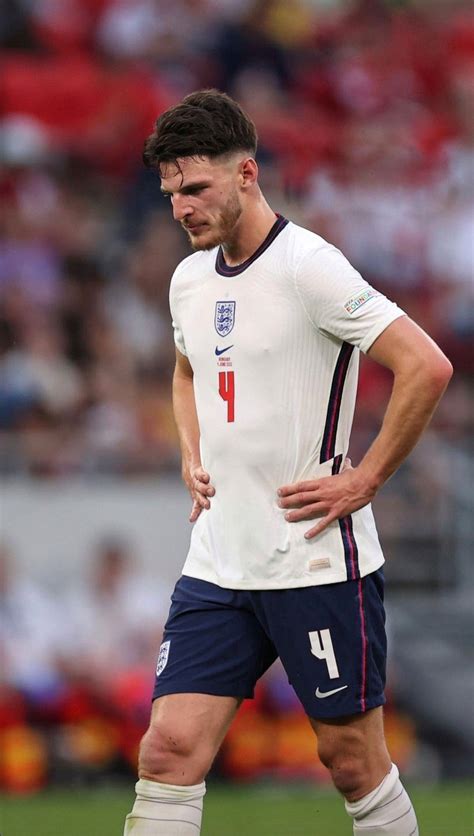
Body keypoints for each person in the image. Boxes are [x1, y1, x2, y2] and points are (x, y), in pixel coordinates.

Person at [123, 90, 452, 835]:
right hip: (218, 559)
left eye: (196, 188)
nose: (181, 208)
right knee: (168, 750)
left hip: (312, 561)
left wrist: (365, 479)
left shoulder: (311, 267)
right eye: (171, 193)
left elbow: (425, 366)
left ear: (247, 173)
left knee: (351, 761)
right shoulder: (189, 278)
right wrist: (189, 451)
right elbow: (186, 371)